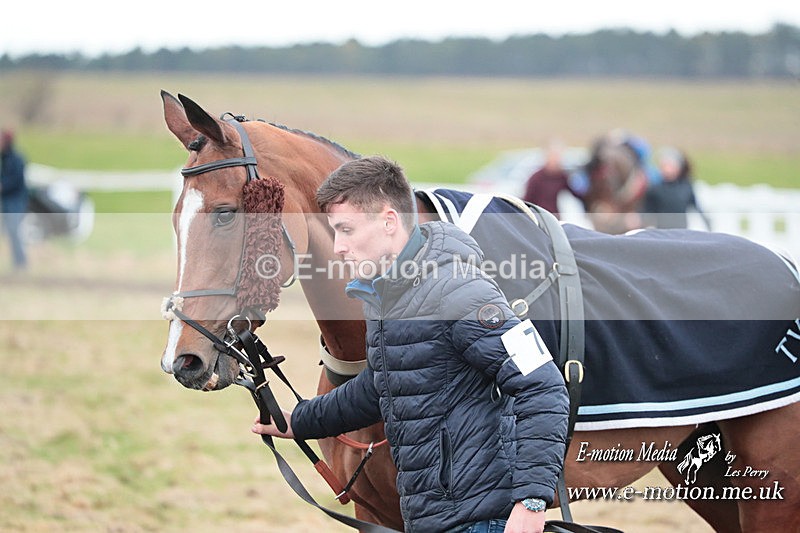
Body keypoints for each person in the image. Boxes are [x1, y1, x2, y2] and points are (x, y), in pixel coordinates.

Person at [252, 156, 569, 533]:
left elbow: (543, 386)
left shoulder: (462, 293)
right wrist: (298, 421)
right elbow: (381, 387)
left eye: (347, 230)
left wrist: (532, 500)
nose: (338, 247)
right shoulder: (388, 299)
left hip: (481, 520)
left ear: (388, 222)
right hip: (431, 519)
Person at [641, 147, 711, 230]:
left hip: (681, 231)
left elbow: (695, 205)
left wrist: (706, 222)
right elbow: (646, 210)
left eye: (670, 166)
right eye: (664, 166)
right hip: (661, 231)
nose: (667, 170)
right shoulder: (655, 189)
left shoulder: (686, 187)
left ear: (678, 168)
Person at [521, 141, 576, 218]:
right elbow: (527, 199)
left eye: (557, 157)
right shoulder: (537, 178)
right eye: (553, 156)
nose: (555, 160)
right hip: (539, 216)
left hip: (554, 216)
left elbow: (576, 193)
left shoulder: (562, 176)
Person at [0, 129, 29, 271]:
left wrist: (3, 186)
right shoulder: (4, 159)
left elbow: (16, 180)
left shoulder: (16, 159)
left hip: (16, 201)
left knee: (14, 231)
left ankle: (21, 263)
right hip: (6, 201)